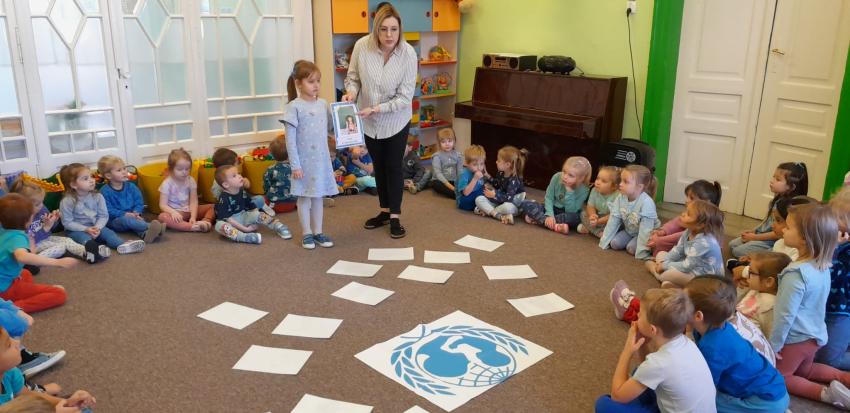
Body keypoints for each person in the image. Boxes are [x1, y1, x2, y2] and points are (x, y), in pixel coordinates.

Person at [343, 3, 418, 239]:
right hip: (369, 122)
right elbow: (353, 78)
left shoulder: (408, 54)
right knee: (379, 166)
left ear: (400, 29)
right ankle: (384, 212)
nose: (389, 35)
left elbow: (405, 97)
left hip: (395, 120)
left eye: (394, 29)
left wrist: (376, 109)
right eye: (383, 29)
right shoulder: (361, 46)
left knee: (393, 166)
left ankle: (395, 216)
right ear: (376, 29)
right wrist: (351, 93)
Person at [769, 202, 850, 408]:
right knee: (806, 370)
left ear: (805, 238)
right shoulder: (823, 264)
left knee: (781, 377)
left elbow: (784, 316)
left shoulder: (795, 274)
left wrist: (774, 345)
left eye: (788, 227)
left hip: (796, 339)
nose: (783, 230)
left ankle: (827, 395)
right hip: (815, 335)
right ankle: (844, 377)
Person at [595, 288, 716, 413]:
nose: (637, 315)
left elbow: (617, 396)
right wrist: (642, 344)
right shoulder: (686, 342)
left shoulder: (659, 363)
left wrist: (628, 350)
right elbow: (652, 369)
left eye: (640, 314)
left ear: (653, 329)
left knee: (604, 404)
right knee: (640, 372)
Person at [685, 276, 790, 412]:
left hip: (765, 402)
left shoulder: (712, 347)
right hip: (775, 389)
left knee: (700, 401)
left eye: (682, 302)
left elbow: (704, 384)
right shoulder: (722, 328)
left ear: (698, 316)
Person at [282, 60, 339, 249]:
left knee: (318, 197)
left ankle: (318, 232)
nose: (316, 85)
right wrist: (295, 166)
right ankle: (306, 233)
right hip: (304, 164)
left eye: (318, 81)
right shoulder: (294, 107)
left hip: (321, 162)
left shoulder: (323, 104)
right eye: (311, 81)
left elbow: (331, 129)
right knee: (305, 198)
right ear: (298, 83)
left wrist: (346, 125)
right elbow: (290, 141)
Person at [0, 194, 71, 313]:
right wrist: (57, 262)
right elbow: (22, 256)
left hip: (6, 279)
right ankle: (13, 308)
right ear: (27, 220)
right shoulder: (18, 237)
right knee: (59, 293)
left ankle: (17, 295)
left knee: (26, 273)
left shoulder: (4, 231)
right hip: (5, 288)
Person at [11, 179, 107, 264]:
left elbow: (51, 229)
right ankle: (32, 261)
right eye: (37, 204)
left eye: (42, 202)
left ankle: (87, 253)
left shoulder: (42, 209)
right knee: (60, 247)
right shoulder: (20, 219)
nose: (41, 206)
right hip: (31, 245)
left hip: (45, 237)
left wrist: (54, 221)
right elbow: (27, 241)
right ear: (22, 206)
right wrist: (45, 228)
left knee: (67, 240)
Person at [59, 163, 144, 254]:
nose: (92, 180)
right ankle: (96, 250)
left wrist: (97, 228)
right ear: (73, 185)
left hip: (97, 226)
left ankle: (122, 245)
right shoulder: (67, 201)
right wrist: (85, 229)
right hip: (77, 230)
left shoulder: (98, 196)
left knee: (110, 234)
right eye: (85, 178)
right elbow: (67, 222)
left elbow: (103, 215)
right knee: (84, 239)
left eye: (91, 176)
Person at [729, 162, 808, 258]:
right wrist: (754, 231)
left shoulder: (790, 207)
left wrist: (755, 238)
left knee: (738, 251)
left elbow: (778, 234)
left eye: (778, 179)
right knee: (732, 245)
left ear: (791, 187)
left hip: (771, 241)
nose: (772, 181)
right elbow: (767, 221)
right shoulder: (777, 200)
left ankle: (771, 255)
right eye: (774, 177)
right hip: (761, 235)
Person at [644, 200, 724, 288]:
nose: (683, 214)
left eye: (688, 214)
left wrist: (665, 265)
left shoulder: (704, 242)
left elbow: (686, 266)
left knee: (668, 274)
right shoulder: (688, 231)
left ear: (700, 225)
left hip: (706, 279)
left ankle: (654, 270)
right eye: (686, 211)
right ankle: (673, 285)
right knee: (661, 254)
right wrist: (664, 262)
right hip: (693, 267)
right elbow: (678, 250)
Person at [816, 187, 850, 370]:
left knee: (828, 360)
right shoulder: (838, 240)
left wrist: (834, 248)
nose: (833, 222)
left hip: (841, 311)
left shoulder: (840, 246)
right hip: (825, 305)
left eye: (839, 218)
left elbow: (834, 275)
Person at [213, 166, 291, 245]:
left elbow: (252, 207)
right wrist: (245, 229)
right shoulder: (223, 198)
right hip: (231, 223)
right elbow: (229, 219)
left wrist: (256, 219)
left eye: (238, 173)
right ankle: (244, 237)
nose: (239, 176)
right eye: (234, 176)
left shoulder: (242, 192)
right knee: (219, 226)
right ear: (226, 184)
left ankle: (278, 226)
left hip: (243, 216)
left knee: (259, 214)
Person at [98, 155, 164, 244]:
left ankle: (145, 234)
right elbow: (108, 210)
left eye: (124, 168)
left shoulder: (132, 187)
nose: (124, 172)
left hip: (134, 216)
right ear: (108, 175)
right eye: (119, 170)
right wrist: (125, 214)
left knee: (135, 222)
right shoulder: (104, 191)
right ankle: (150, 226)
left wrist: (137, 212)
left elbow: (139, 202)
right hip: (115, 220)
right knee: (127, 220)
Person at [599, 165, 660, 261]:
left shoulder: (646, 202)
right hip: (630, 230)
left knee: (631, 248)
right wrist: (603, 242)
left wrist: (642, 252)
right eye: (621, 180)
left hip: (645, 234)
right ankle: (631, 241)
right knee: (614, 244)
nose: (620, 184)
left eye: (625, 182)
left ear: (639, 187)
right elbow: (613, 220)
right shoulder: (620, 197)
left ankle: (643, 246)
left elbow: (646, 230)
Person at [648, 180, 722, 256]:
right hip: (685, 244)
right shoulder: (696, 213)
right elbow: (676, 222)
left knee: (659, 248)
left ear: (706, 203)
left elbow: (683, 236)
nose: (686, 200)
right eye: (687, 196)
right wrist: (663, 231)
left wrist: (660, 241)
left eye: (692, 198)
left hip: (694, 252)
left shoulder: (707, 222)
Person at [520, 156, 591, 234]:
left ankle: (539, 220)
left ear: (581, 179)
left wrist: (569, 192)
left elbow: (571, 211)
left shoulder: (584, 189)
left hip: (567, 213)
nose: (565, 177)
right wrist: (549, 215)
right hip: (551, 208)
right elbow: (549, 198)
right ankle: (553, 224)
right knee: (525, 203)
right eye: (564, 172)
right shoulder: (557, 177)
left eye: (570, 175)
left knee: (576, 218)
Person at [735, 251, 791, 338]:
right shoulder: (757, 289)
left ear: (768, 282)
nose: (746, 275)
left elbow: (769, 337)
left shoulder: (771, 307)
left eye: (751, 272)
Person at [157, 148, 215, 232]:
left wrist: (193, 217)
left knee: (213, 207)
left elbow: (194, 201)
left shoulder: (191, 180)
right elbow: (162, 205)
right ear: (171, 169)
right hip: (176, 213)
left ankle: (205, 222)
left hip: (189, 210)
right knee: (162, 217)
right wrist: (173, 212)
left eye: (187, 169)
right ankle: (192, 227)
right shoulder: (167, 184)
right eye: (180, 169)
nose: (184, 172)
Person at [474, 145, 528, 225]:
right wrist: (487, 176)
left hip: (513, 205)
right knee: (479, 199)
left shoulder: (514, 179)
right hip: (499, 202)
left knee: (507, 207)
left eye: (499, 161)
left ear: (507, 165)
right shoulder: (500, 173)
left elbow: (509, 198)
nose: (496, 162)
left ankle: (489, 211)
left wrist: (494, 195)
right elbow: (497, 184)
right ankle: (498, 215)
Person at [578, 166, 620, 237]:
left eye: (603, 181)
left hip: (609, 218)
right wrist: (593, 215)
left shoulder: (618, 196)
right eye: (597, 178)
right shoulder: (594, 190)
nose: (598, 182)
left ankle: (591, 229)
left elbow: (613, 215)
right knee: (583, 214)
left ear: (614, 187)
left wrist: (598, 221)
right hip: (598, 216)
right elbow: (590, 206)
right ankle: (598, 232)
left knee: (617, 222)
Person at [262, 135, 298, 214]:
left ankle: (267, 208)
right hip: (292, 204)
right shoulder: (296, 170)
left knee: (259, 199)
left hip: (274, 205)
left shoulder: (270, 169)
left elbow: (266, 186)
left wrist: (267, 194)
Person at [430, 128, 463, 199]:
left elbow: (460, 171)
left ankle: (460, 193)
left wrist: (460, 183)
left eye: (450, 141)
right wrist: (452, 187)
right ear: (439, 143)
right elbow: (438, 174)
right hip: (441, 181)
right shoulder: (437, 156)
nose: (447, 144)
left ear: (454, 141)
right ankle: (457, 195)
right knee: (436, 184)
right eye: (443, 142)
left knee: (464, 182)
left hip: (453, 180)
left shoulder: (458, 155)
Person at [456, 145, 487, 211]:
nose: (479, 168)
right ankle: (481, 206)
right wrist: (475, 179)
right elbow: (465, 193)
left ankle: (482, 205)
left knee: (488, 191)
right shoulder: (463, 174)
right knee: (465, 202)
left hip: (477, 192)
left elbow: (481, 185)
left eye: (481, 164)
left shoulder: (479, 170)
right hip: (465, 198)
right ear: (466, 163)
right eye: (475, 164)